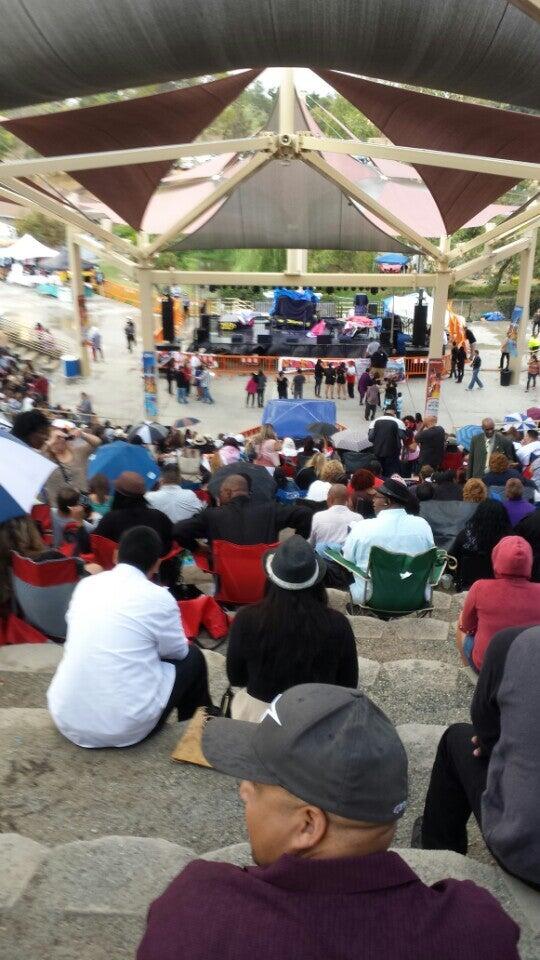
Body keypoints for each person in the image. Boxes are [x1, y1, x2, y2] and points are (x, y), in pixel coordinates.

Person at [137, 684, 519, 960]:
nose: (243, 791)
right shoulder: (479, 928)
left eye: (254, 781)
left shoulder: (197, 912)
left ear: (308, 826)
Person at [47, 526, 210, 748]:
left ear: (116, 555)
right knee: (194, 658)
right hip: (125, 727)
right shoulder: (159, 597)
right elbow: (178, 652)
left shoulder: (86, 585)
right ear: (157, 563)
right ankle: (194, 736)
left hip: (66, 715)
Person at [419, 623, 540, 891]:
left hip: (526, 856)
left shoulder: (512, 643)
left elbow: (487, 735)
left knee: (456, 738)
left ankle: (439, 864)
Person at [225, 538, 358, 720]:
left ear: (271, 577)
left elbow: (236, 677)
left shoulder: (245, 618)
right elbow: (348, 684)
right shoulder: (338, 624)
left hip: (259, 718)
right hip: (319, 718)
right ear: (317, 581)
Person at [456, 535, 540, 672]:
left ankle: (469, 671)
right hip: (528, 669)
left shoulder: (479, 587)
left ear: (497, 558)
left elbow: (466, 626)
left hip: (487, 667)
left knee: (460, 620)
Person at [343, 477, 434, 598]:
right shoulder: (422, 525)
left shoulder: (362, 527)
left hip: (371, 597)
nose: (373, 501)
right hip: (414, 596)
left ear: (387, 502)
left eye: (376, 497)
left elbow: (348, 559)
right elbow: (431, 556)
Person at [173, 473, 312, 552]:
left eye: (220, 494)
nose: (218, 498)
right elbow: (305, 513)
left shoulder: (211, 516)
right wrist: (294, 544)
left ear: (227, 492)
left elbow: (178, 530)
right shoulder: (271, 510)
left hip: (227, 585)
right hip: (264, 583)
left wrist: (197, 548)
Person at [95, 471, 173, 555]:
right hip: (157, 566)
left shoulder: (110, 519)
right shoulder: (159, 517)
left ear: (118, 495)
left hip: (119, 566)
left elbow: (93, 545)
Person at [449, 499, 511, 591]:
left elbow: (452, 560)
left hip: (468, 588)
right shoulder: (509, 541)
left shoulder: (465, 536)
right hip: (500, 589)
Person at [45, 425, 101, 501]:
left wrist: (82, 434)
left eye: (62, 437)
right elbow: (35, 458)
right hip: (58, 506)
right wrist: (52, 440)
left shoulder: (78, 451)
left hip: (80, 502)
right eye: (57, 438)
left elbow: (97, 443)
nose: (60, 440)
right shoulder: (47, 458)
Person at [308, 484, 361, 552]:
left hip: (322, 560)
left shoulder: (318, 517)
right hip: (347, 561)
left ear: (330, 499)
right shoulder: (359, 518)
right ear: (348, 500)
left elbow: (311, 544)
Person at [368, 409, 404, 476]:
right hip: (393, 454)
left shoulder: (374, 421)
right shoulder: (399, 422)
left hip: (377, 452)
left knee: (378, 471)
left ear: (384, 413)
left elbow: (370, 438)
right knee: (390, 472)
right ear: (394, 415)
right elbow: (402, 436)